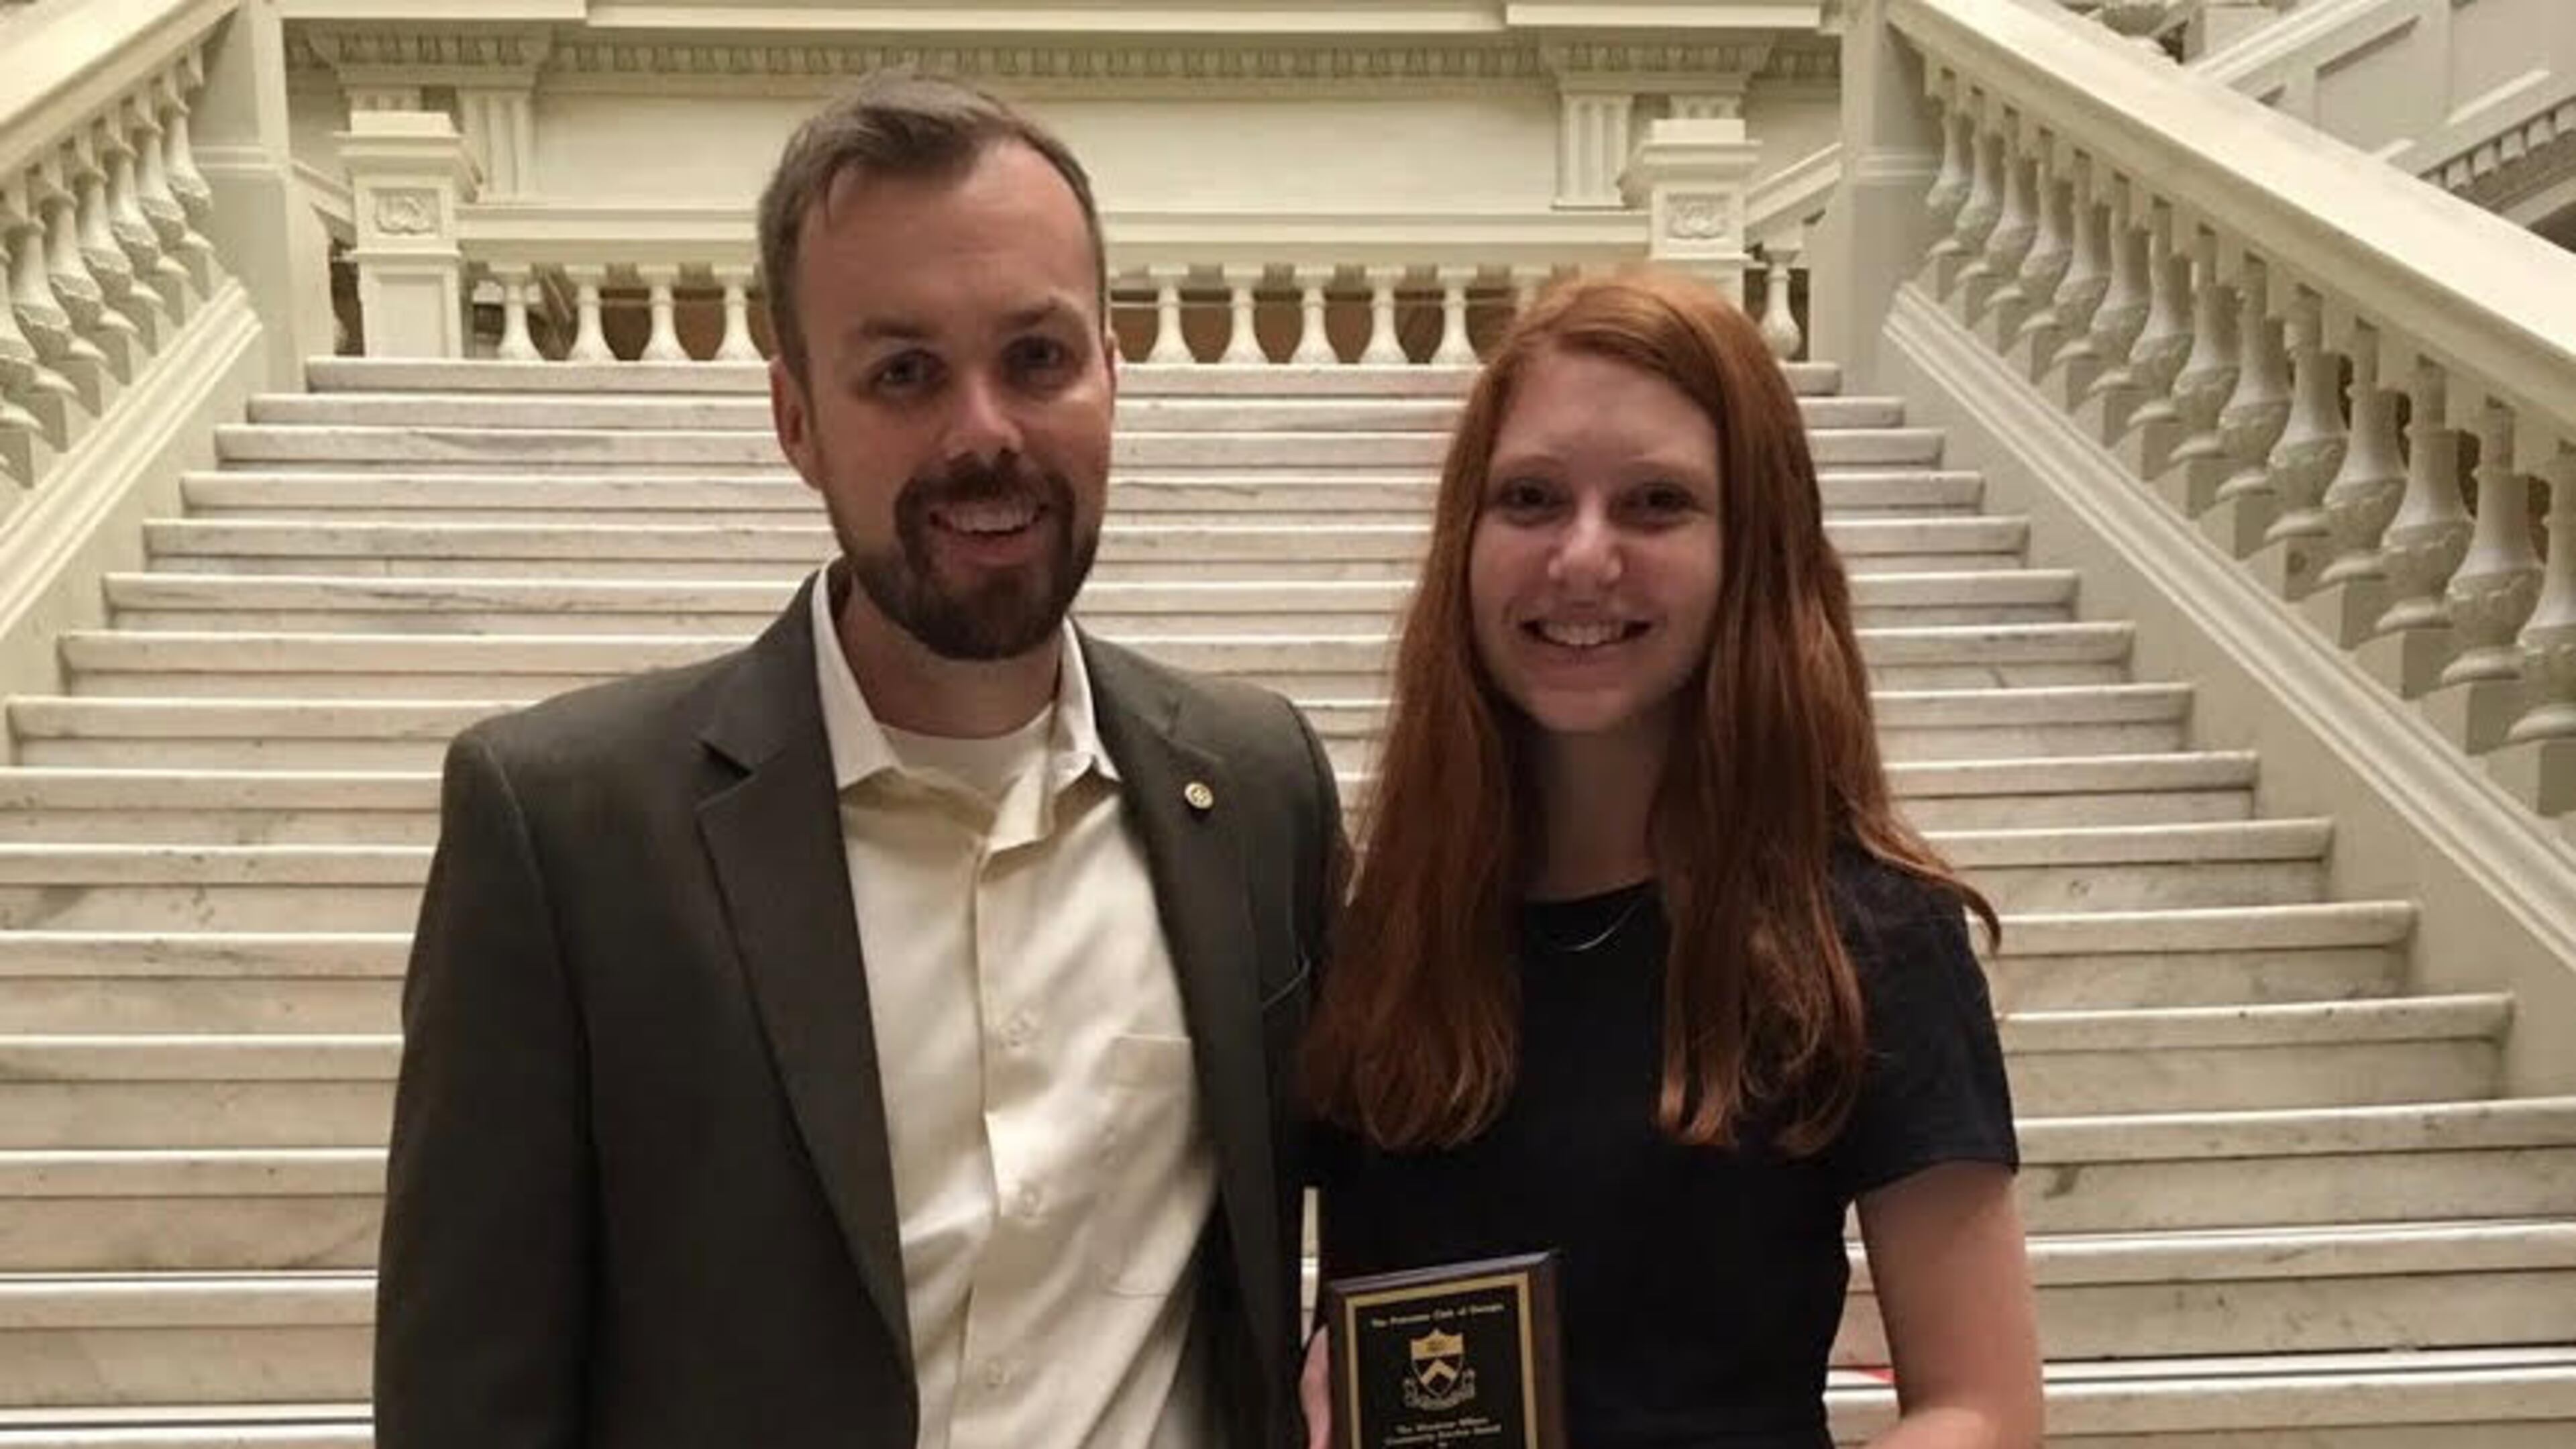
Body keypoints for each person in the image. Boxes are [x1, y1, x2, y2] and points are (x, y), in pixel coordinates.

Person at [374, 72, 1342, 1449]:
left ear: (1113, 374)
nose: (983, 434)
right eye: (903, 373)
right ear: (796, 418)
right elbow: (466, 1403)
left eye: (1037, 357)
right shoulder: (564, 833)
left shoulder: (1255, 791)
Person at [1297, 270, 2043, 1448]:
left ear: (1752, 549)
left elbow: (1981, 1407)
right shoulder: (1387, 932)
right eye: (1533, 498)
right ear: (1468, 538)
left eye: (1655, 504)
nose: (1583, 558)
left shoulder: (1868, 935)